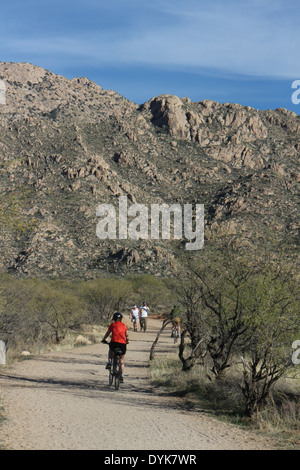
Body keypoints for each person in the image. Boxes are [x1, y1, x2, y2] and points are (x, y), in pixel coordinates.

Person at [102, 312, 129, 382]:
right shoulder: (124, 325)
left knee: (110, 350)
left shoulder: (112, 325)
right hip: (122, 344)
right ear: (121, 319)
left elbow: (108, 333)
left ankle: (109, 362)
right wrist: (127, 341)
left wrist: (104, 339)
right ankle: (121, 375)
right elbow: (126, 335)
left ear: (114, 318)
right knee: (122, 361)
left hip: (114, 343)